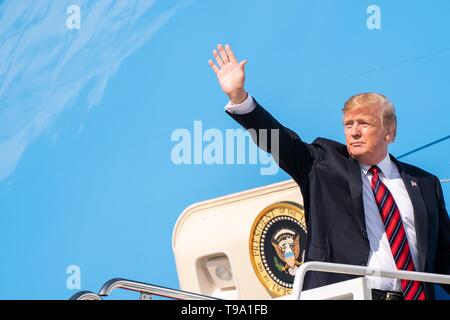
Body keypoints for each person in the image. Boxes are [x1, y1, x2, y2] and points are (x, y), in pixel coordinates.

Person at [208, 44, 450, 300]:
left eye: (364, 123)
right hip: (350, 295)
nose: (354, 131)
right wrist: (240, 98)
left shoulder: (424, 184)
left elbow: (444, 254)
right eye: (348, 124)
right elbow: (279, 142)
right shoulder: (322, 165)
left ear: (389, 132)